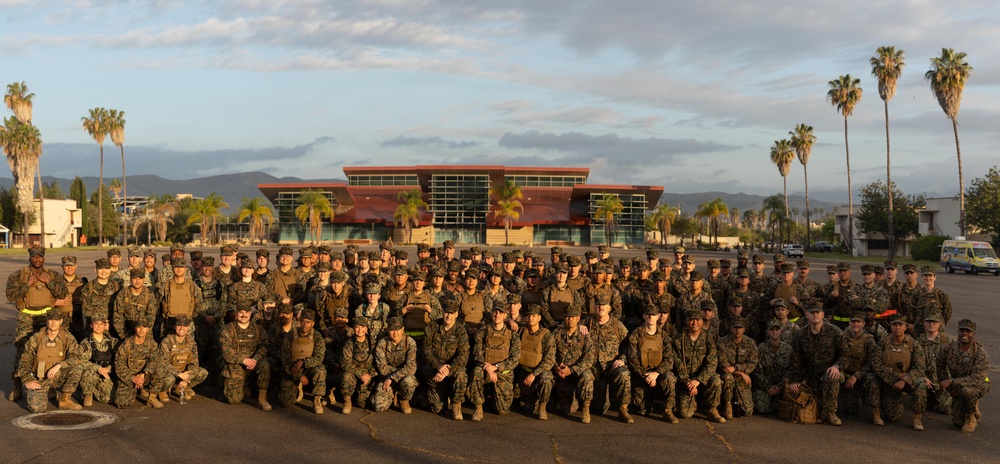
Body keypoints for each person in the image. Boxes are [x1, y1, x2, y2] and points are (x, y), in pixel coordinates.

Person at [6, 246, 69, 402]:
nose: (37, 259)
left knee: (48, 351)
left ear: (44, 259)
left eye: (40, 256)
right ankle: (17, 385)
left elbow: (63, 293)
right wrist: (28, 283)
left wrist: (48, 282)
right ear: (30, 258)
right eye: (34, 256)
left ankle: (49, 385)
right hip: (26, 318)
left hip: (47, 318)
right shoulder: (18, 275)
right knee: (22, 351)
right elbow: (10, 296)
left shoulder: (52, 275)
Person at [787, 305, 849, 426]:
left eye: (817, 312)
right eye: (812, 313)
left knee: (832, 376)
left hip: (829, 371)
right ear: (807, 315)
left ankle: (831, 413)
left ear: (822, 315)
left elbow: (845, 354)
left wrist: (837, 366)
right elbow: (797, 359)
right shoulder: (801, 334)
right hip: (810, 374)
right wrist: (796, 380)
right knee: (807, 403)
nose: (815, 315)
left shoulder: (834, 331)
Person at [16, 311, 83, 412]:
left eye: (56, 320)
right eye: (51, 320)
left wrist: (59, 365)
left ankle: (65, 400)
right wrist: (27, 381)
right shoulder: (36, 338)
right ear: (47, 321)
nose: (53, 323)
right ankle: (48, 391)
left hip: (58, 376)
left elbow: (76, 357)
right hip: (40, 378)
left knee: (77, 367)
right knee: (36, 408)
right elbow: (24, 361)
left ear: (61, 321)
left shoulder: (67, 337)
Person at [870, 314, 927, 430]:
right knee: (892, 417)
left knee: (921, 385)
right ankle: (876, 412)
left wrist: (904, 380)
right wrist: (895, 377)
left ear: (905, 327)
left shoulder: (913, 344)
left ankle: (917, 418)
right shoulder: (883, 343)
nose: (897, 327)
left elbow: (919, 368)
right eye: (894, 325)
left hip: (907, 380)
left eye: (900, 325)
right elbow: (876, 364)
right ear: (890, 326)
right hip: (889, 380)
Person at [586, 292, 632, 423]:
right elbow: (570, 327)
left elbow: (629, 345)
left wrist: (622, 359)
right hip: (593, 368)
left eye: (604, 305)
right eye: (598, 305)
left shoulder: (618, 325)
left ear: (609, 308)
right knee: (599, 408)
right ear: (594, 307)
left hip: (611, 366)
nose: (600, 307)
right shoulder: (587, 323)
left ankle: (623, 409)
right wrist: (579, 326)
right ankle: (585, 407)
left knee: (624, 374)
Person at [626, 305, 677, 423]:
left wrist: (656, 373)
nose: (650, 317)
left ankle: (668, 410)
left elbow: (669, 359)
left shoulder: (664, 336)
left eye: (653, 314)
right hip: (642, 375)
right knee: (642, 410)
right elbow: (632, 359)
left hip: (658, 374)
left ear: (657, 316)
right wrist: (645, 375)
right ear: (644, 316)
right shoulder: (636, 335)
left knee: (670, 378)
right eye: (648, 314)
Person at [938, 318, 990, 433]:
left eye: (968, 331)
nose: (964, 333)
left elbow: (976, 379)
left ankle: (971, 417)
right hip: (958, 384)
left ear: (973, 333)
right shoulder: (948, 348)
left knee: (967, 392)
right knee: (957, 422)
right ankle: (971, 406)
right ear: (958, 331)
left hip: (980, 383)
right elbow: (940, 366)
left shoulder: (980, 353)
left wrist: (951, 382)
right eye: (962, 330)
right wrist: (950, 388)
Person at [421, 300, 469, 420]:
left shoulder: (460, 330)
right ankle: (436, 393)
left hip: (452, 368)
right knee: (438, 409)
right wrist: (438, 366)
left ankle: (456, 405)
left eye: (451, 313)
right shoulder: (432, 326)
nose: (448, 316)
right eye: (446, 312)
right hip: (435, 368)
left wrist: (448, 370)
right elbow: (426, 351)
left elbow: (463, 355)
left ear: (456, 314)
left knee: (461, 376)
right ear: (442, 312)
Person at [674, 309, 724, 422]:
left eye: (697, 320)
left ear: (702, 321)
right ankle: (693, 401)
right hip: (686, 381)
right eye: (691, 320)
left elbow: (712, 362)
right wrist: (688, 382)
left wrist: (698, 380)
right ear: (686, 321)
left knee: (716, 380)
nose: (695, 323)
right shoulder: (679, 339)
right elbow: (677, 362)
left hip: (702, 379)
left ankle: (712, 410)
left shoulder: (708, 339)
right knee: (685, 414)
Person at [219, 303, 271, 410]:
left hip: (253, 362)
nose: (243, 315)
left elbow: (264, 346)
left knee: (265, 365)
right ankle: (242, 386)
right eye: (241, 312)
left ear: (250, 313)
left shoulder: (258, 329)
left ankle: (262, 399)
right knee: (234, 400)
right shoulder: (227, 330)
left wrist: (255, 359)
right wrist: (243, 360)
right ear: (236, 313)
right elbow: (226, 352)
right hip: (236, 363)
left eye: (246, 312)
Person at [551, 306, 595, 423]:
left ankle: (585, 408)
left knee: (588, 376)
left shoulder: (584, 335)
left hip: (577, 373)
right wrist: (556, 368)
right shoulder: (556, 333)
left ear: (578, 319)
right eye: (567, 317)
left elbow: (589, 358)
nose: (569, 319)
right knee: (566, 409)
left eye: (572, 317)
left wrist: (572, 370)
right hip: (561, 374)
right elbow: (550, 353)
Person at [278, 309, 327, 414]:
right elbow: (285, 359)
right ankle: (297, 386)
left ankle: (317, 399)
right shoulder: (291, 334)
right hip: (293, 369)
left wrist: (303, 362)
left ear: (313, 323)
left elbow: (319, 358)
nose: (305, 325)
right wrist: (299, 376)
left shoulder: (317, 336)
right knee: (285, 402)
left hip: (310, 369)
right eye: (303, 321)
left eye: (308, 322)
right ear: (299, 321)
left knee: (321, 370)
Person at [115, 317, 167, 408]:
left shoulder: (152, 344)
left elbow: (153, 361)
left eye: (144, 327)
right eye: (139, 326)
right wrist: (132, 378)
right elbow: (119, 365)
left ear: (148, 329)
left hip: (144, 375)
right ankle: (135, 390)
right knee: (122, 403)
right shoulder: (126, 344)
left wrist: (143, 373)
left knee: (160, 369)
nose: (141, 329)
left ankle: (152, 398)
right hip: (130, 375)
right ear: (135, 328)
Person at [516, 304, 556, 420]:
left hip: (537, 373)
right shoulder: (520, 331)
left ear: (539, 318)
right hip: (522, 370)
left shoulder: (546, 335)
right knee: (526, 407)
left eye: (534, 316)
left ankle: (542, 407)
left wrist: (534, 374)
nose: (530, 318)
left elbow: (549, 359)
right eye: (528, 316)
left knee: (547, 378)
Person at [156, 314, 208, 404]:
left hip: (184, 372)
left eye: (184, 325)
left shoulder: (191, 342)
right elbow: (163, 363)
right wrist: (179, 374)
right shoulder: (167, 341)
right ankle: (162, 390)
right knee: (169, 379)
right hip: (170, 372)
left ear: (188, 328)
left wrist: (185, 379)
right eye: (179, 325)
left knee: (203, 372)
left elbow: (194, 363)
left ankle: (182, 388)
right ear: (175, 326)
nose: (181, 328)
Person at [373, 317, 418, 413]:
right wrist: (392, 376)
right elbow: (382, 368)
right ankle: (393, 394)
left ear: (403, 329)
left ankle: (404, 400)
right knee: (378, 406)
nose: (395, 333)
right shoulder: (382, 343)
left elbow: (411, 367)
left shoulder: (409, 342)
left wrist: (393, 377)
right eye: (392, 330)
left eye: (398, 329)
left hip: (402, 377)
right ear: (388, 330)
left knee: (409, 381)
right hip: (386, 377)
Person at [841, 311, 880, 423]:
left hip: (862, 377)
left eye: (858, 322)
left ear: (863, 324)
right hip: (847, 376)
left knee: (872, 379)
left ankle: (875, 411)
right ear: (849, 323)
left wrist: (856, 376)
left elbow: (872, 362)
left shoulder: (869, 340)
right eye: (853, 321)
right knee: (851, 410)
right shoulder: (841, 337)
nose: (855, 324)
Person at [717, 316, 759, 419]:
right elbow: (722, 364)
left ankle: (734, 401)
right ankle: (727, 404)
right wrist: (740, 372)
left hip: (741, 379)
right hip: (726, 377)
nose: (738, 330)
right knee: (728, 378)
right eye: (735, 327)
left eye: (740, 327)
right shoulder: (722, 342)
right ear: (731, 328)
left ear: (744, 329)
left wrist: (736, 368)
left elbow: (752, 363)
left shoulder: (750, 343)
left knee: (748, 411)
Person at [752, 319, 792, 415]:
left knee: (791, 406)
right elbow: (757, 371)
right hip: (766, 387)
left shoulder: (788, 349)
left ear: (780, 331)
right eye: (772, 330)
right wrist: (768, 387)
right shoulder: (761, 348)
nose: (774, 332)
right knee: (762, 408)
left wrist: (779, 387)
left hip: (782, 387)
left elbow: (791, 370)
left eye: (777, 329)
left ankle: (777, 403)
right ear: (768, 332)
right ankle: (773, 404)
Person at [78, 312, 118, 407]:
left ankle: (96, 389)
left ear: (105, 326)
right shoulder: (85, 343)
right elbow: (81, 361)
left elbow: (120, 361)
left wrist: (109, 369)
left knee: (109, 398)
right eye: (96, 323)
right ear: (91, 325)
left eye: (101, 324)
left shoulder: (113, 342)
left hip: (107, 373)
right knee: (88, 372)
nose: (99, 326)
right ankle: (88, 394)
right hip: (93, 373)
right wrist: (98, 368)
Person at [340, 316, 377, 415]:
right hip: (354, 373)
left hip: (368, 374)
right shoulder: (349, 343)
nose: (360, 330)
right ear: (353, 328)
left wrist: (369, 374)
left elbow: (378, 363)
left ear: (367, 328)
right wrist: (360, 374)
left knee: (362, 403)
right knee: (346, 376)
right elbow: (345, 363)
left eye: (363, 327)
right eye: (357, 327)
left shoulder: (373, 342)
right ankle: (347, 401)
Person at [917, 310, 952, 414]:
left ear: (939, 324)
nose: (931, 324)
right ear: (924, 323)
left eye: (935, 322)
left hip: (942, 381)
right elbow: (913, 363)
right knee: (920, 406)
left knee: (945, 409)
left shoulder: (948, 341)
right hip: (926, 380)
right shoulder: (918, 341)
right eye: (929, 322)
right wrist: (922, 377)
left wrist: (949, 380)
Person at [113, 268, 159, 340]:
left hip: (144, 335)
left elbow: (151, 317)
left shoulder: (149, 295)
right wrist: (125, 336)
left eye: (140, 278)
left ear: (144, 280)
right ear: (130, 279)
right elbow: (117, 316)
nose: (137, 281)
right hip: (126, 334)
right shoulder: (122, 294)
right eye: (134, 278)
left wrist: (143, 334)